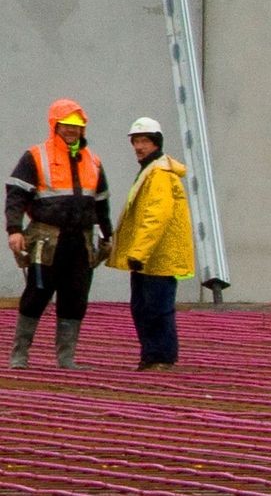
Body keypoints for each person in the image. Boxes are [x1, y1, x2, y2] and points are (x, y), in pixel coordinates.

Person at [6, 99, 112, 371]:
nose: (72, 131)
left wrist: (107, 236)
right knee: (36, 294)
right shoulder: (35, 156)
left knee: (75, 297)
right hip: (47, 239)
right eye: (67, 125)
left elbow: (101, 203)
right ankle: (19, 354)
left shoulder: (93, 161)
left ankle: (66, 358)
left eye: (77, 126)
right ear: (55, 125)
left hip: (81, 242)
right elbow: (16, 196)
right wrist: (15, 230)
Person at [107, 117, 195, 370]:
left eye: (144, 140)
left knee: (156, 309)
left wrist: (138, 252)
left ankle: (161, 357)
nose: (138, 146)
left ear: (156, 143)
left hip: (156, 258)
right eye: (135, 141)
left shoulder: (158, 174)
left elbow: (156, 217)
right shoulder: (151, 170)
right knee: (143, 308)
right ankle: (151, 356)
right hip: (148, 259)